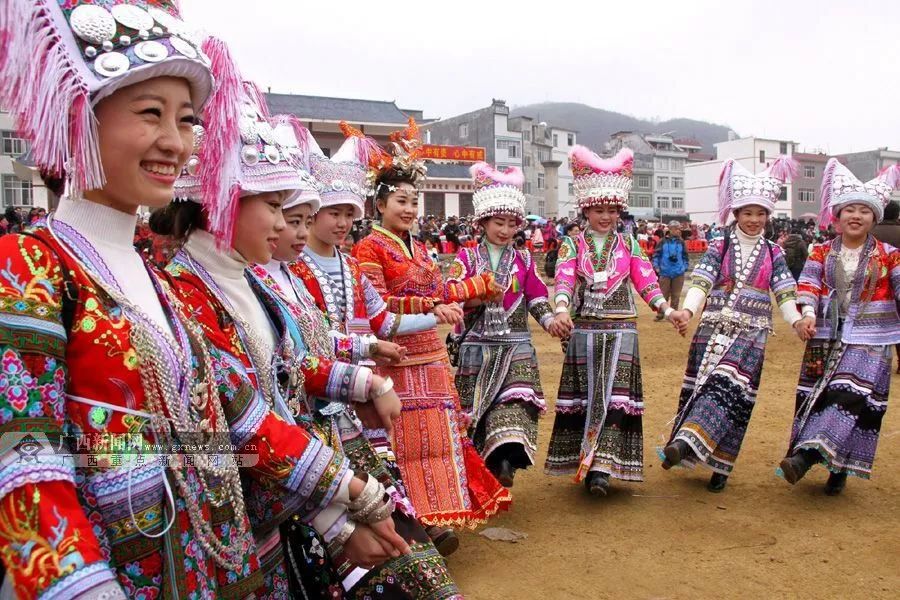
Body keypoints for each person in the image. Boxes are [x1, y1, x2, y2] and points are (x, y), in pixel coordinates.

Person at [0, 4, 285, 596]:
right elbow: (26, 454)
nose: (175, 142)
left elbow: (238, 409)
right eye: (151, 114)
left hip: (205, 561)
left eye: (187, 121)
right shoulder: (29, 266)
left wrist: (345, 498)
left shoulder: (157, 277)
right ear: (79, 117)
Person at [353, 132, 512, 550]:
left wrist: (479, 284)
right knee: (401, 446)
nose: (408, 208)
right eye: (400, 200)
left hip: (432, 357)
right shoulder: (369, 248)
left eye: (413, 200)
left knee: (438, 442)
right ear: (380, 205)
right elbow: (378, 305)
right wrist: (430, 306)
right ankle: (414, 524)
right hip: (395, 360)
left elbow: (442, 291)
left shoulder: (420, 249)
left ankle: (436, 517)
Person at [544, 146, 687, 497]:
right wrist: (561, 308)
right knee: (589, 397)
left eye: (611, 210)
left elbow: (647, 282)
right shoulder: (571, 246)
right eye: (598, 210)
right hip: (585, 331)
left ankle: (602, 468)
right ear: (586, 210)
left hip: (622, 328)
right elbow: (563, 280)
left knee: (614, 397)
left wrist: (668, 312)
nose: (605, 216)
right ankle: (587, 460)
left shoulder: (630, 245)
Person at [660, 158, 805, 493]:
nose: (754, 220)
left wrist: (796, 320)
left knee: (731, 389)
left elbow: (784, 291)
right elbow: (702, 280)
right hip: (710, 328)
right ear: (736, 214)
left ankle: (705, 455)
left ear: (768, 216)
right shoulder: (720, 245)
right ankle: (687, 447)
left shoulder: (773, 253)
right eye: (747, 213)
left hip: (752, 334)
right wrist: (687, 311)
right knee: (703, 389)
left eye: (760, 214)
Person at [779, 159, 900, 496]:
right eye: (850, 209)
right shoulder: (820, 251)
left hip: (871, 337)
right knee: (816, 397)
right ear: (838, 215)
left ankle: (809, 459)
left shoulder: (890, 256)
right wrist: (806, 313)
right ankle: (822, 461)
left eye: (864, 210)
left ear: (875, 217)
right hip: (825, 334)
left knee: (849, 396)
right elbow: (808, 284)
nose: (856, 216)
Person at [449, 163, 569, 488]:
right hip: (478, 346)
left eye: (511, 223)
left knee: (516, 399)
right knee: (475, 413)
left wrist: (550, 321)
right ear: (483, 222)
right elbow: (452, 293)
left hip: (516, 345)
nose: (504, 230)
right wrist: (478, 294)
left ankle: (506, 460)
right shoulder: (466, 259)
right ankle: (485, 467)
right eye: (498, 222)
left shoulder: (525, 260)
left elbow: (536, 297)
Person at [651, 220, 690, 321]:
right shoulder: (662, 241)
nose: (679, 231)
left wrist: (684, 267)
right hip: (664, 272)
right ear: (671, 229)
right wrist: (656, 267)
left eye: (679, 229)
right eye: (677, 229)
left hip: (678, 272)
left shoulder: (681, 242)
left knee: (676, 296)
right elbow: (655, 255)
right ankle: (660, 314)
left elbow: (685, 256)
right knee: (663, 295)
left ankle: (673, 315)